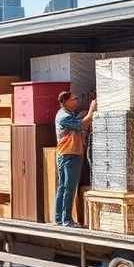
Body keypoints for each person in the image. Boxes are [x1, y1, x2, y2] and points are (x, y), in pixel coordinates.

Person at [54, 91, 96, 227]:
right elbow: (81, 125)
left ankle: (59, 218)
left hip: (66, 154)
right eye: (74, 99)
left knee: (63, 187)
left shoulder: (66, 114)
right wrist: (91, 109)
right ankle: (67, 220)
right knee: (69, 188)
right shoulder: (64, 117)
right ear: (65, 102)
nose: (76, 101)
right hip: (69, 154)